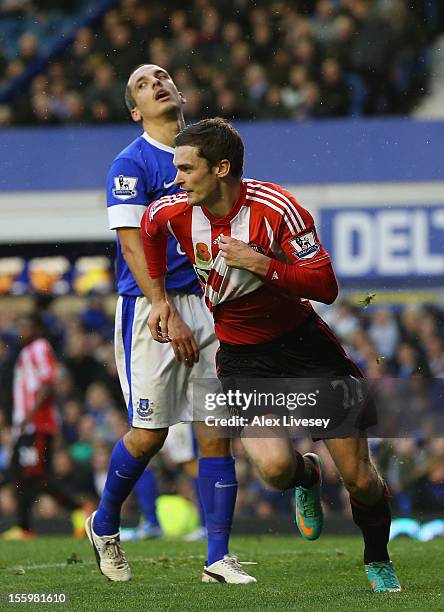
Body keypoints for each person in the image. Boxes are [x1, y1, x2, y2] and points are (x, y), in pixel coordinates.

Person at [142, 117, 402, 594]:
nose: (175, 179)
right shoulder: (172, 209)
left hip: (306, 349)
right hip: (244, 359)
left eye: (185, 168)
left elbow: (326, 286)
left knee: (361, 482)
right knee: (276, 470)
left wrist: (261, 263)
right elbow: (148, 230)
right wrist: (159, 299)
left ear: (221, 168)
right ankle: (307, 475)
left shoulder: (278, 208)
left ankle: (378, 557)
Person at [85, 66, 255, 584]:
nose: (155, 82)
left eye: (162, 77)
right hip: (151, 308)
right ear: (135, 110)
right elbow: (132, 242)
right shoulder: (130, 163)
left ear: (180, 94)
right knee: (149, 435)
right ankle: (105, 522)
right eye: (140, 83)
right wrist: (162, 303)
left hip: (210, 302)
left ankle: (217, 557)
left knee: (215, 429)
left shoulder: (205, 152)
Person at [4, 314, 57, 539]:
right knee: (21, 475)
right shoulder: (24, 352)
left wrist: (29, 416)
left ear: (36, 328)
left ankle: (80, 507)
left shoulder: (40, 347)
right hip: (24, 427)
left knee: (34, 476)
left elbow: (48, 384)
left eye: (25, 324)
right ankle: (24, 527)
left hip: (37, 426)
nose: (21, 330)